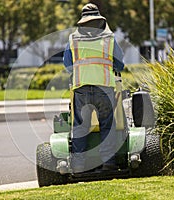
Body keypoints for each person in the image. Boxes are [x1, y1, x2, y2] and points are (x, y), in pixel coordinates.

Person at [63, 3, 124, 173]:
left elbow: (67, 64)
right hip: (104, 87)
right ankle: (109, 164)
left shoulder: (73, 39)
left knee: (81, 127)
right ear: (100, 21)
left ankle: (79, 165)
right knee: (107, 125)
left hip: (81, 87)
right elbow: (120, 63)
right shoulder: (109, 39)